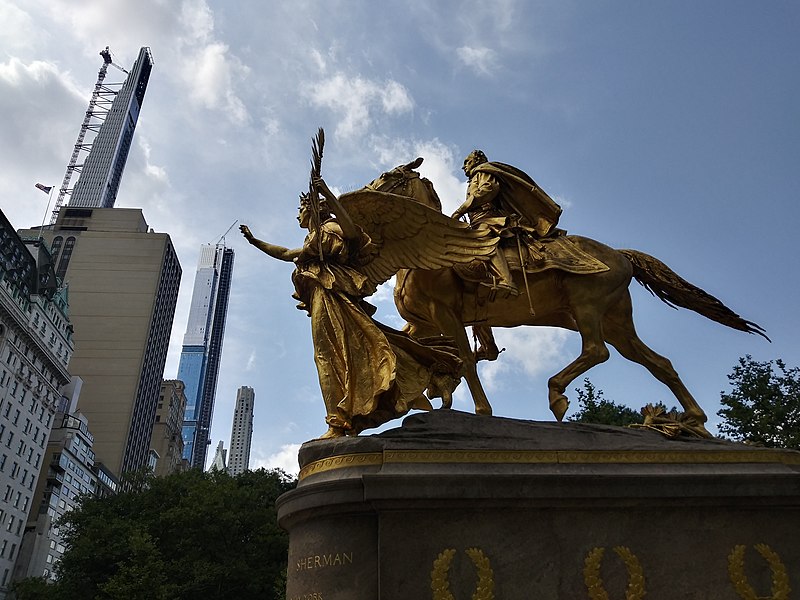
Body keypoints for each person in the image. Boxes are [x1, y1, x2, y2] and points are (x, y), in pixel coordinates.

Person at [241, 177, 462, 439]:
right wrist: (255, 241)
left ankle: (338, 423)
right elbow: (287, 253)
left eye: (301, 209)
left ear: (313, 208)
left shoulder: (331, 227)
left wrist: (329, 196)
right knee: (346, 354)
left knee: (334, 356)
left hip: (333, 296)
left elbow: (352, 231)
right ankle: (409, 395)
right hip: (324, 297)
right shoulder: (314, 238)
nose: (298, 215)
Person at [452, 150, 563, 296]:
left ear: (478, 160)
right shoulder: (474, 178)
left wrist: (462, 209)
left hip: (489, 217)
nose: (464, 166)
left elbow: (489, 189)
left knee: (484, 240)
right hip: (477, 219)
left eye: (467, 161)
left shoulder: (482, 171)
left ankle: (507, 281)